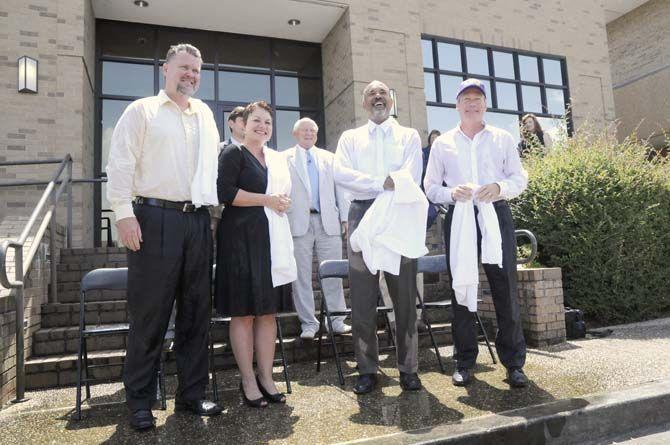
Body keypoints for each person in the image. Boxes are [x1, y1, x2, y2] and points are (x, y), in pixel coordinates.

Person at [106, 43, 222, 430]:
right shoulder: (142, 110)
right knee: (150, 315)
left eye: (196, 70)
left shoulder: (204, 114)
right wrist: (123, 215)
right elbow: (120, 163)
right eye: (184, 68)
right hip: (153, 217)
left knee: (196, 314)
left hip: (196, 221)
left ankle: (191, 395)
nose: (190, 75)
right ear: (165, 69)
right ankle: (140, 400)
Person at [424, 78, 529, 388]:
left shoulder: (502, 138)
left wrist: (499, 187)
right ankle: (464, 362)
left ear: (485, 104)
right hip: (460, 217)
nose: (472, 103)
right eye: (466, 99)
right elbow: (430, 187)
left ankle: (514, 364)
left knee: (505, 288)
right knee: (461, 289)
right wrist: (450, 193)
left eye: (478, 98)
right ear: (457, 105)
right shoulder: (443, 143)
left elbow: (519, 178)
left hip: (496, 214)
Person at [334, 80, 424, 394]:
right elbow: (341, 174)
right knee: (362, 299)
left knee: (404, 299)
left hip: (398, 216)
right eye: (371, 92)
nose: (377, 96)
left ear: (391, 99)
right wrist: (380, 182)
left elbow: (411, 176)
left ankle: (408, 369)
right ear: (363, 102)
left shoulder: (409, 135)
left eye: (383, 91)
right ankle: (368, 370)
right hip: (361, 216)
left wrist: (390, 184)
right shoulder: (350, 138)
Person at [215, 101, 294, 408]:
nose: (263, 127)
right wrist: (268, 199)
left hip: (271, 242)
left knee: (268, 312)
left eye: (268, 123)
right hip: (240, 241)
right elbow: (226, 193)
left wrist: (281, 202)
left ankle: (267, 377)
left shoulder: (274, 159)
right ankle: (247, 379)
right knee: (244, 313)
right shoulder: (233, 153)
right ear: (243, 124)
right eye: (257, 121)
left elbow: (280, 197)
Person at [284, 118, 351, 340]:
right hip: (298, 223)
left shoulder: (330, 158)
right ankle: (309, 324)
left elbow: (340, 188)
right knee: (301, 275)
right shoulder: (284, 159)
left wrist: (345, 217)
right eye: (304, 130)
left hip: (328, 221)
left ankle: (337, 320)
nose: (309, 133)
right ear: (295, 133)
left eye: (313, 130)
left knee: (333, 273)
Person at [210, 106, 246, 235]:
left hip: (248, 211)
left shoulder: (259, 152)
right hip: (219, 212)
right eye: (243, 120)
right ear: (231, 123)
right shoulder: (218, 149)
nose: (247, 124)